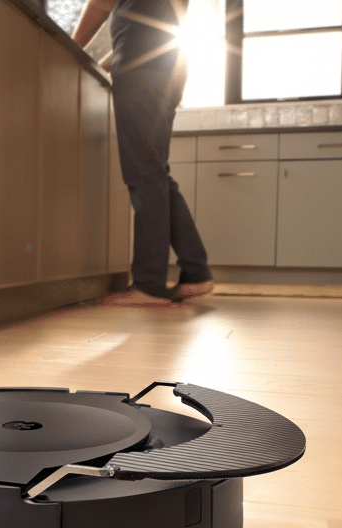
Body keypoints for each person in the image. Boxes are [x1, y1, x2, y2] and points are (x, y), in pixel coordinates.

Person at [73, 0, 214, 307]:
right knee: (156, 174)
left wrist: (72, 47)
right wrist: (107, 62)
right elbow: (144, 27)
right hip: (167, 69)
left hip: (142, 69)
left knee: (145, 174)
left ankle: (149, 283)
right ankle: (195, 271)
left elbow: (100, 4)